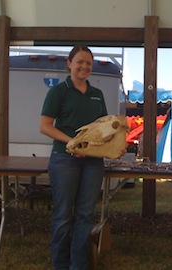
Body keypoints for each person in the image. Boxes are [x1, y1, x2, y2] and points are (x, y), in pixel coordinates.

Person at [40, 45, 125, 270]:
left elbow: (104, 128)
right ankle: (61, 264)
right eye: (80, 62)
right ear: (69, 63)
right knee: (63, 215)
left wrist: (116, 145)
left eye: (88, 63)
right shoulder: (58, 92)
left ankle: (79, 265)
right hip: (64, 160)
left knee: (85, 215)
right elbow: (45, 126)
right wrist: (71, 142)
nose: (85, 66)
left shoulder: (97, 94)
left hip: (92, 162)